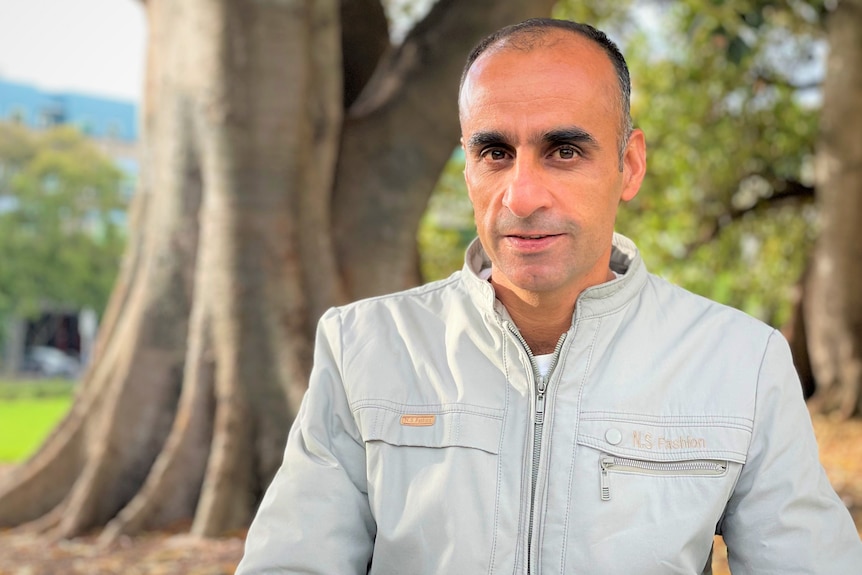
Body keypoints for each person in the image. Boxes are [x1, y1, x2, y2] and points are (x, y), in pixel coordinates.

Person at [236, 19, 862, 574]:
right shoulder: (363, 347)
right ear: (467, 170)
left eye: (564, 151)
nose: (523, 195)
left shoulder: (740, 362)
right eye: (495, 152)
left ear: (630, 165)